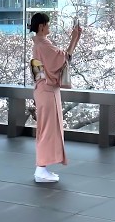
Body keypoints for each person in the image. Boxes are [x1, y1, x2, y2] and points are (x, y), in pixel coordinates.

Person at [29, 12, 82, 183]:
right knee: (48, 130)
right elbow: (64, 59)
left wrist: (75, 38)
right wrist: (74, 38)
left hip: (43, 89)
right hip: (47, 90)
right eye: (48, 24)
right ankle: (41, 168)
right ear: (42, 26)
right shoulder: (43, 44)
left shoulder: (38, 44)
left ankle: (42, 167)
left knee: (46, 129)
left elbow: (60, 59)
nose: (49, 27)